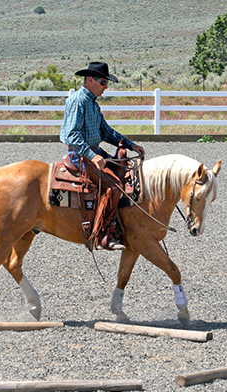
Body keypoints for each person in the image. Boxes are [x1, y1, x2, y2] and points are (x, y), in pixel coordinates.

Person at [60, 62, 145, 251]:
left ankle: (118, 225)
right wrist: (91, 154)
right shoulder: (78, 101)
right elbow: (71, 135)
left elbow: (106, 132)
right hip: (80, 155)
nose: (106, 87)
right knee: (113, 187)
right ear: (90, 80)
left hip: (93, 153)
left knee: (125, 171)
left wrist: (131, 145)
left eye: (107, 83)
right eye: (103, 83)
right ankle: (101, 234)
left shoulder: (92, 104)